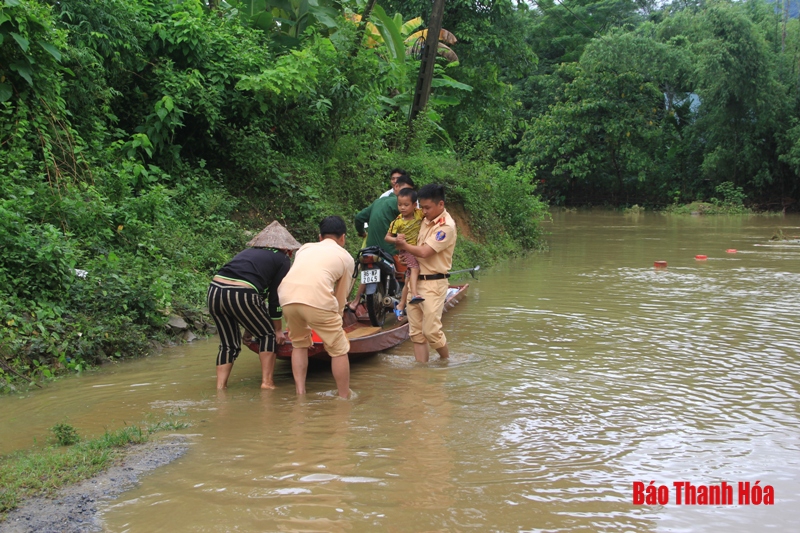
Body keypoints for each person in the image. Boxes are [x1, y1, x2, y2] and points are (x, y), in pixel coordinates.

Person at [207, 221, 302, 390]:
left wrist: (249, 330)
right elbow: (274, 298)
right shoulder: (282, 259)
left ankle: (220, 387)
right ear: (288, 250)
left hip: (215, 291)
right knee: (268, 335)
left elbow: (257, 300)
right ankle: (267, 382)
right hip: (242, 294)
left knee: (228, 344)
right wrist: (278, 330)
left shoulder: (248, 253)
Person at [278, 216, 354, 398]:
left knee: (299, 344)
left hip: (286, 297)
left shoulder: (304, 248)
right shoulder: (346, 257)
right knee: (339, 349)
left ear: (320, 237)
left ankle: (300, 393)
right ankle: (344, 397)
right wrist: (337, 319)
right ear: (343, 237)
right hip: (317, 299)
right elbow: (341, 296)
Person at [395, 184, 457, 363]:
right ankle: (421, 373)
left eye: (428, 207)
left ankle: (445, 361)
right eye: (422, 207)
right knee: (416, 334)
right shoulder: (422, 219)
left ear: (441, 204)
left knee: (431, 331)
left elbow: (424, 252)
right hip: (414, 283)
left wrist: (404, 246)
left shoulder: (446, 227)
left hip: (433, 284)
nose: (424, 211)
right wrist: (405, 257)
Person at [348, 174, 415, 311]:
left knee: (367, 274)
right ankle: (405, 302)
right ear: (396, 189)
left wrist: (361, 232)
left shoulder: (378, 202)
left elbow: (359, 217)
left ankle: (355, 302)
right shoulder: (401, 205)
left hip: (370, 250)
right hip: (390, 250)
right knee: (407, 271)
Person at [385, 187, 425, 318]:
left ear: (414, 205)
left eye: (406, 205)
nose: (402, 208)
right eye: (400, 204)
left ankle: (400, 305)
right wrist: (396, 238)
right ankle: (414, 294)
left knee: (407, 279)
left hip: (416, 249)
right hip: (406, 250)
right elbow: (387, 237)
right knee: (415, 269)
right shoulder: (398, 221)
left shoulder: (419, 214)